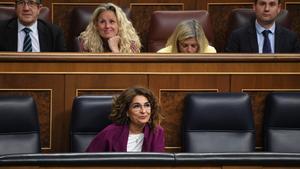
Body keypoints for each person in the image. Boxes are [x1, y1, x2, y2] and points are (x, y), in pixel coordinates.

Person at [86, 86, 164, 152]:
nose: (143, 111)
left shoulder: (156, 131)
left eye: (147, 105)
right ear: (127, 112)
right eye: (136, 106)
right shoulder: (110, 133)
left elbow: (160, 163)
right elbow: (87, 160)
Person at [225, 0, 300, 53]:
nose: (266, 9)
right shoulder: (237, 37)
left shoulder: (291, 38)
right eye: (262, 4)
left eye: (272, 4)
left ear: (279, 8)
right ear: (254, 7)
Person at [0, 0, 66, 52]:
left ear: (39, 8)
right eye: (21, 3)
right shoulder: (1, 30)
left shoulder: (54, 33)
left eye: (31, 3)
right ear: (16, 8)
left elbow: (61, 63)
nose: (26, 8)